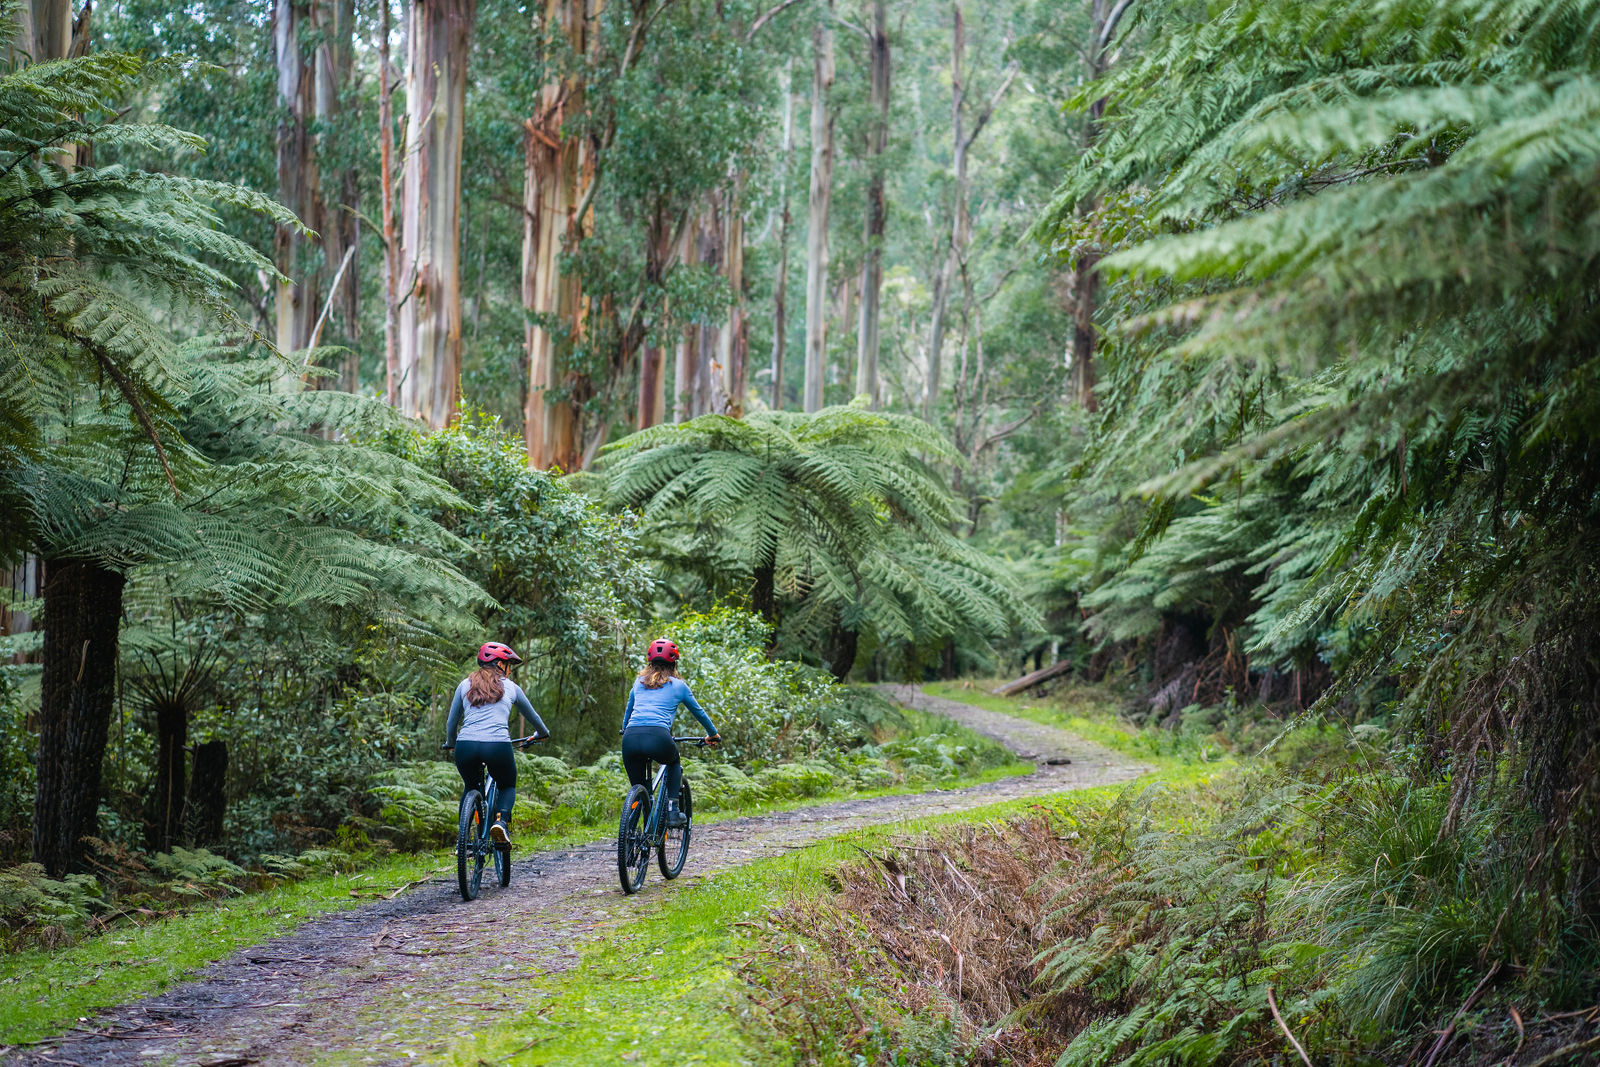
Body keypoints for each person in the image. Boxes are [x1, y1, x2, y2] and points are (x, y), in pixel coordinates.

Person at [444, 642, 549, 846]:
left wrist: (451, 743)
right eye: (509, 664)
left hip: (466, 745)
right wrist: (541, 734)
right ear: (500, 664)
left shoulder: (464, 685)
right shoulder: (511, 687)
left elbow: (451, 723)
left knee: (470, 786)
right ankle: (500, 822)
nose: (510, 669)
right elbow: (534, 718)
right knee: (507, 784)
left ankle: (463, 840)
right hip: (497, 746)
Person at [621, 638, 720, 827]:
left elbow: (629, 712)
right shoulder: (679, 686)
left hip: (630, 738)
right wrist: (713, 734)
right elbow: (699, 713)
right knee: (674, 761)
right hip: (659, 737)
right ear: (674, 664)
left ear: (650, 663)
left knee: (639, 787)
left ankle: (632, 836)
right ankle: (672, 811)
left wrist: (624, 729)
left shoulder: (638, 682)